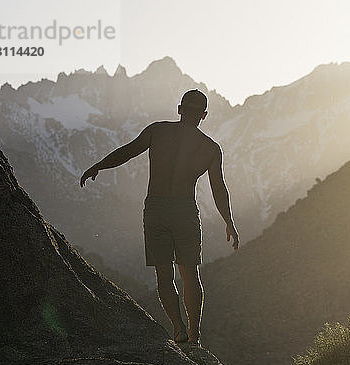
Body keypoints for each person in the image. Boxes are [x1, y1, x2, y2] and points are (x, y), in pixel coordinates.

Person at [80, 89, 239, 345]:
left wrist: (99, 164)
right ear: (204, 115)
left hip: (156, 210)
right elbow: (218, 187)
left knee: (164, 276)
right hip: (185, 211)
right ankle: (195, 336)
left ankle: (178, 329)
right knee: (190, 274)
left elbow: (128, 152)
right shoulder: (209, 148)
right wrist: (228, 221)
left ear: (179, 109)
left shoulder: (158, 131)